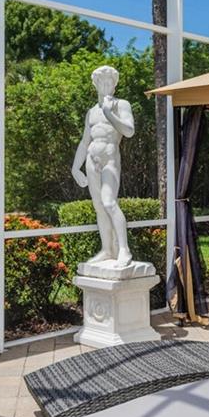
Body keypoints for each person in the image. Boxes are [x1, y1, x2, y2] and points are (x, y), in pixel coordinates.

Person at [71, 65, 135, 267]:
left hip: (110, 159)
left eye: (110, 82)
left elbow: (129, 131)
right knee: (99, 207)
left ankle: (124, 249)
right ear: (96, 85)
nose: (106, 86)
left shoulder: (121, 105)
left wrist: (109, 113)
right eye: (102, 82)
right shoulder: (91, 112)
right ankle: (108, 250)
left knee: (109, 202)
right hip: (92, 161)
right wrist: (75, 168)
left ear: (115, 86)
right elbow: (84, 141)